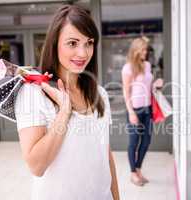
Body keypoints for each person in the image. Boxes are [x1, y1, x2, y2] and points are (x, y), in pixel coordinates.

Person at [14, 5, 119, 200]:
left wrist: (116, 197)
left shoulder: (100, 94)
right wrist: (64, 112)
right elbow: (37, 166)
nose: (83, 53)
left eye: (89, 43)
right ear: (55, 44)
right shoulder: (33, 94)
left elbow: (105, 153)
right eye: (72, 43)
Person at [121, 37, 163, 186]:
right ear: (136, 50)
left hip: (148, 109)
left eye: (147, 50)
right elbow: (126, 92)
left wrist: (156, 85)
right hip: (135, 110)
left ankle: (138, 170)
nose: (146, 52)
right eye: (143, 50)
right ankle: (133, 173)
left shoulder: (147, 65)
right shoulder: (128, 68)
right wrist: (131, 112)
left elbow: (148, 86)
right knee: (134, 142)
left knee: (146, 142)